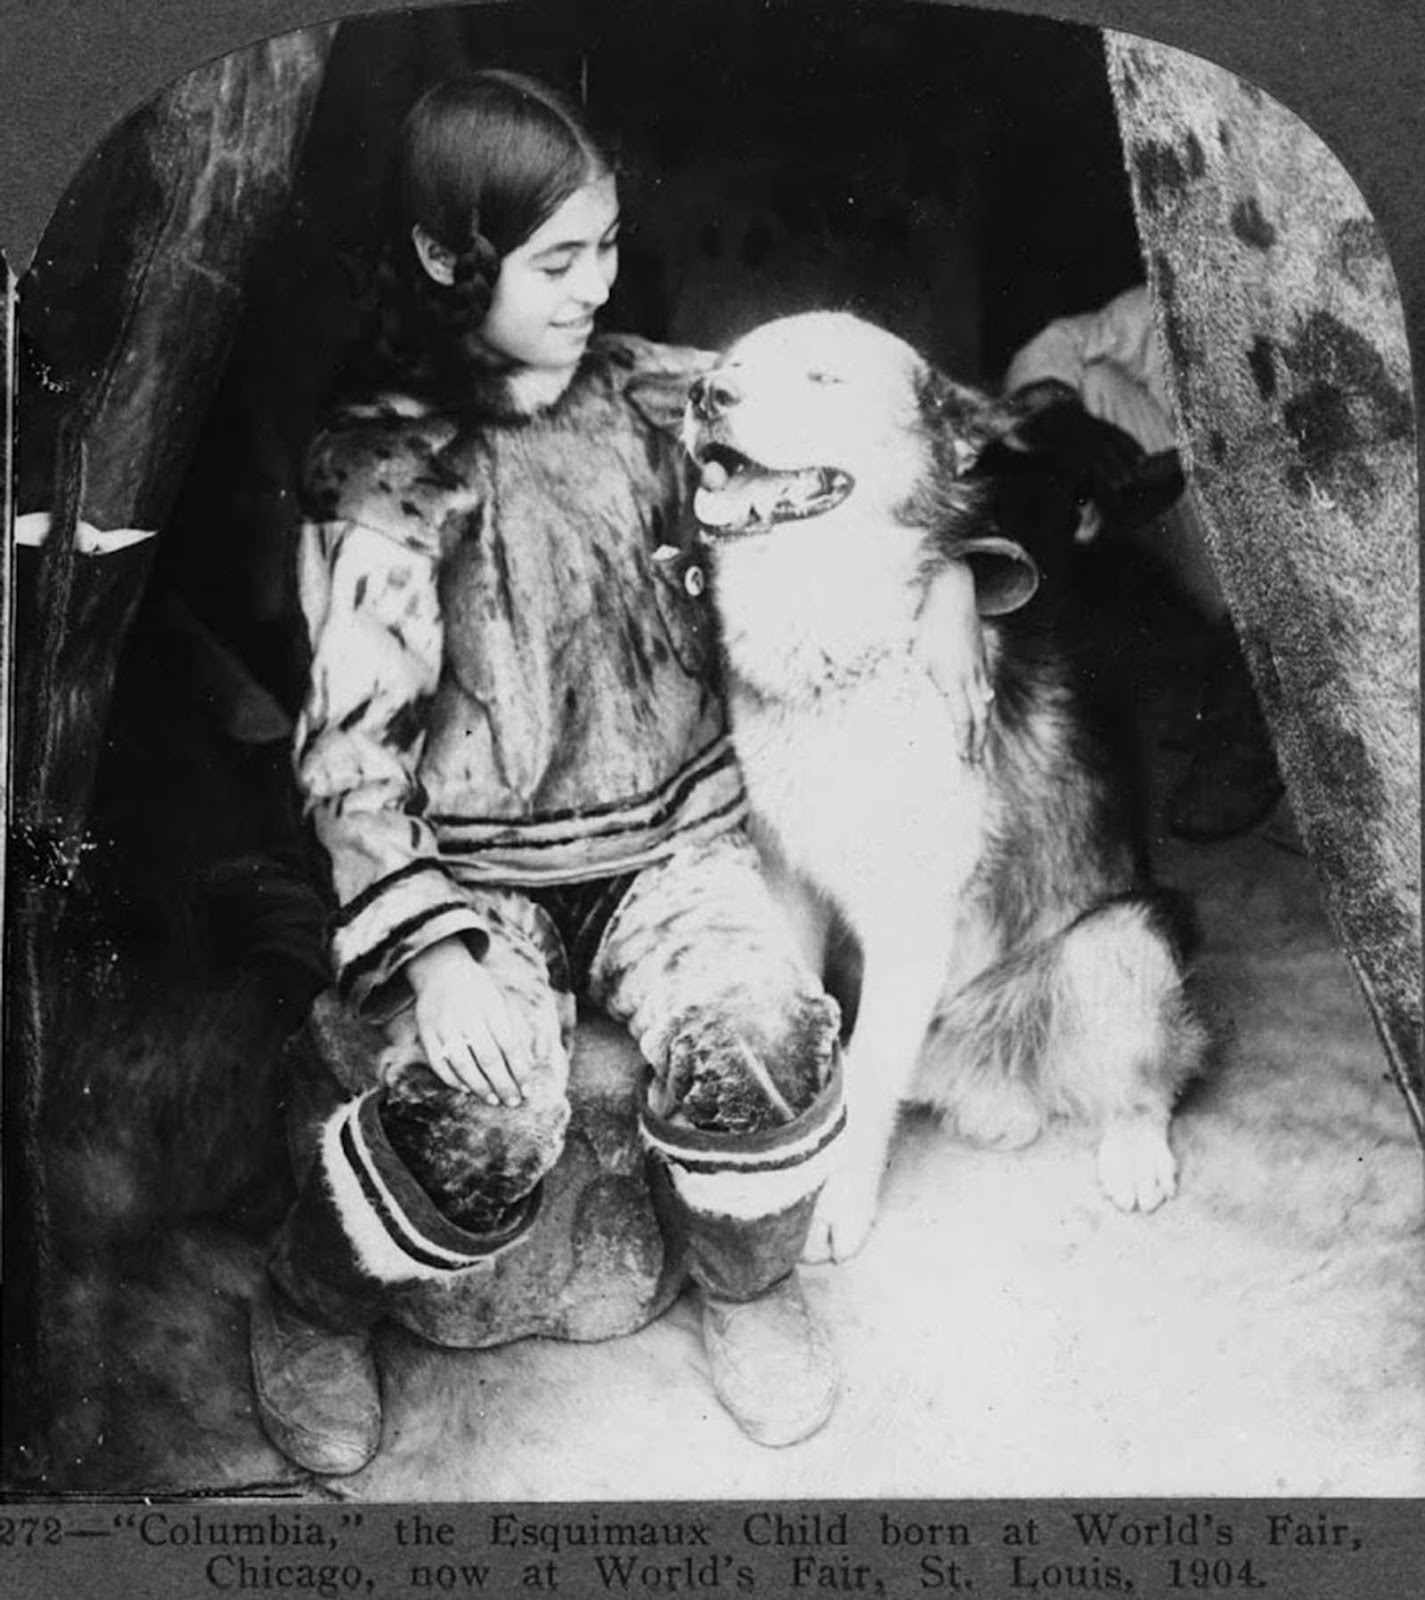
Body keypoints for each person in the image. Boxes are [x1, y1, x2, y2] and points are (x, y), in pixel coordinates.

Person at [248, 70, 991, 1477]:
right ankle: (308, 1302)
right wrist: (442, 961)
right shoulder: (389, 462)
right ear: (443, 258)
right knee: (488, 1107)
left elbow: (870, 456)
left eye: (605, 246)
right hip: (478, 883)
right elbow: (346, 757)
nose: (598, 286)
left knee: (769, 1032)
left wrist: (949, 571)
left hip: (673, 857)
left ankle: (745, 1290)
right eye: (558, 260)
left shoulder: (656, 393)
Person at [1004, 284, 1284, 841]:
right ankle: (1038, 709)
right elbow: (1062, 339)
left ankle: (1250, 732)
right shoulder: (1187, 279)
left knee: (1280, 585)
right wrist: (1058, 415)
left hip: (1302, 540)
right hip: (1208, 513)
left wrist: (1191, 465)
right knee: (1083, 386)